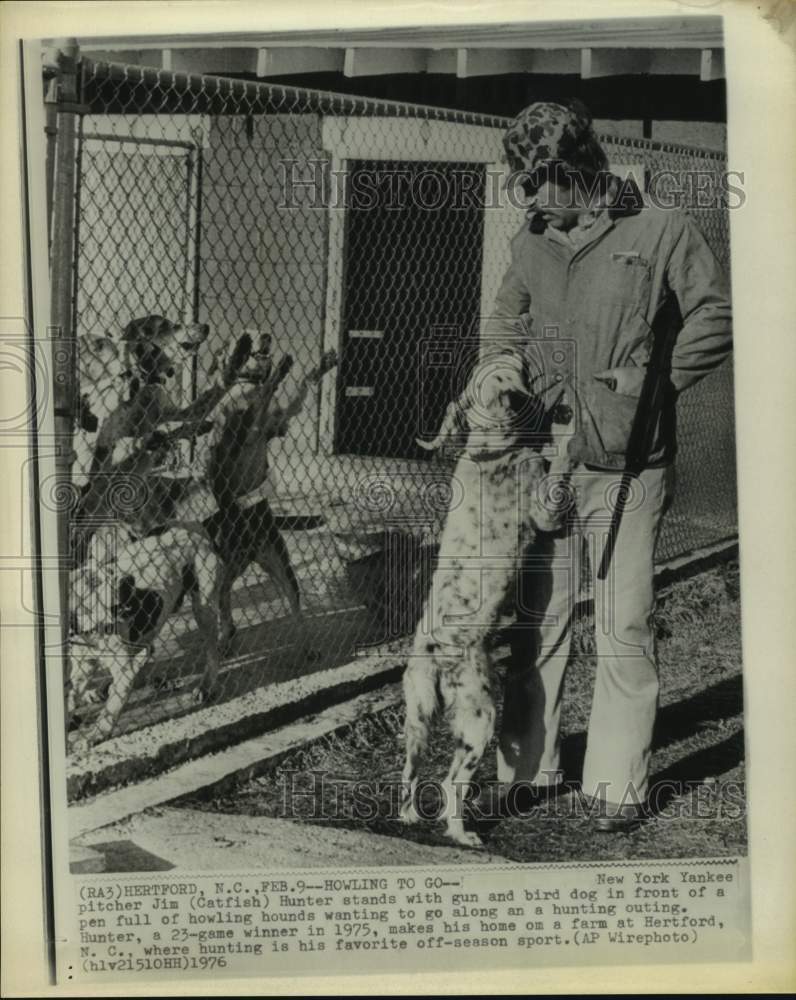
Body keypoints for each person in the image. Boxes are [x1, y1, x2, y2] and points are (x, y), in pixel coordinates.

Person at [475, 100, 733, 831]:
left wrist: (655, 381)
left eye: (536, 186)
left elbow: (714, 315)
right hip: (545, 456)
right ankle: (527, 771)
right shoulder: (533, 240)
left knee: (624, 622)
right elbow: (503, 318)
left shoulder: (659, 229)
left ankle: (617, 786)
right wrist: (501, 368)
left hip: (627, 461)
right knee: (535, 621)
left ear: (573, 172)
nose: (530, 204)